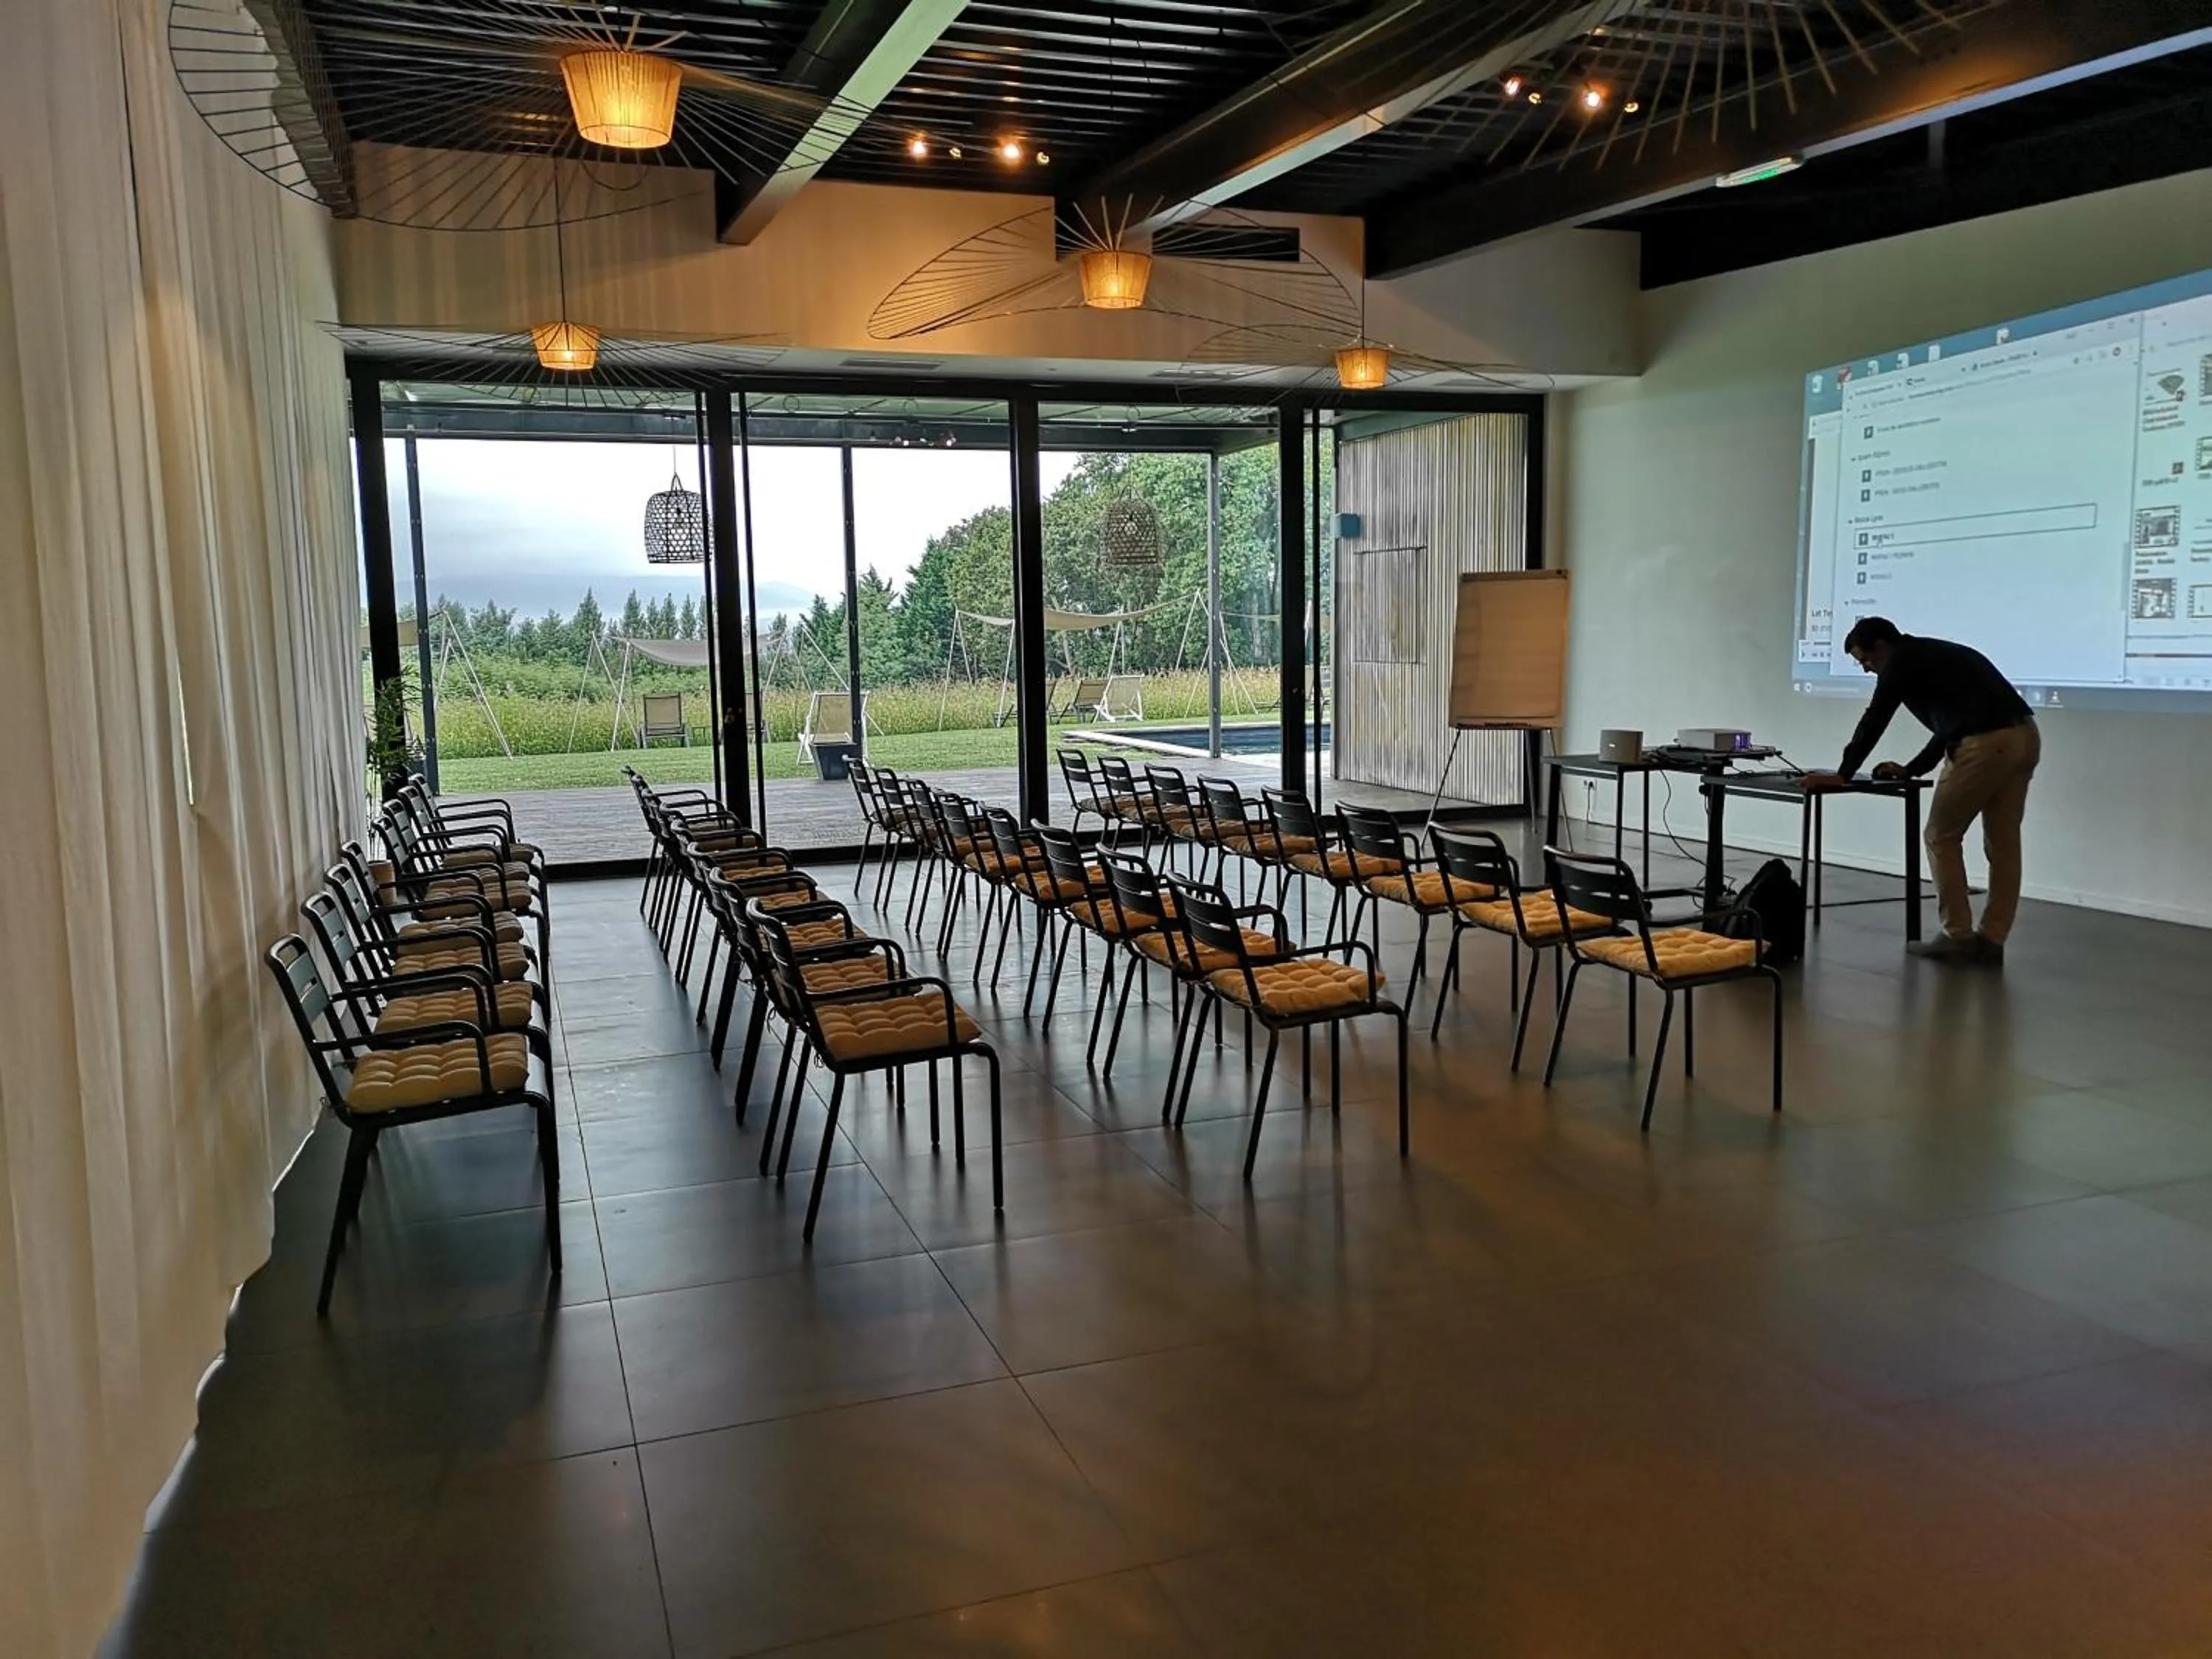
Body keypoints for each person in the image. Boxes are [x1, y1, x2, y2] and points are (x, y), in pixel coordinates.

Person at [1801, 617, 2039, 964]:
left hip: (1986, 743)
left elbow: (1877, 716)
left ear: (1881, 646)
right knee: (2003, 842)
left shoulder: (1900, 662)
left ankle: (1958, 936)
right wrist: (1912, 770)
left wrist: (1843, 774)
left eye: (1864, 659)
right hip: (2024, 736)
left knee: (1940, 836)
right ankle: (1991, 940)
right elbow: (1950, 725)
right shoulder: (1934, 654)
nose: (1866, 669)